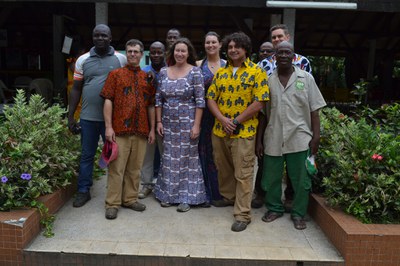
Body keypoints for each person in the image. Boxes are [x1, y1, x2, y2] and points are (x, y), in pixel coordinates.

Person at [257, 41, 326, 230]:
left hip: (301, 138)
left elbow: (314, 111)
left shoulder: (307, 78)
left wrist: (316, 137)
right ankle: (274, 208)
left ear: (293, 56)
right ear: (275, 56)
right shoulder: (268, 81)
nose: (284, 55)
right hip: (273, 137)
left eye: (288, 52)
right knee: (271, 178)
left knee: (301, 180)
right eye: (280, 52)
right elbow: (262, 115)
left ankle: (298, 213)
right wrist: (259, 141)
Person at [206, 32, 270, 232]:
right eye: (230, 47)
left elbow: (260, 101)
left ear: (246, 49)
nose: (233, 50)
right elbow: (210, 98)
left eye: (237, 47)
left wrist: (235, 121)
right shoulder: (221, 73)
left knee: (244, 172)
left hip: (244, 132)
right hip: (220, 130)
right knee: (223, 168)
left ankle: (242, 214)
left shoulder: (256, 72)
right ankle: (229, 197)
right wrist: (223, 119)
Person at [253, 23, 313, 209]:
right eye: (274, 38)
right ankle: (266, 199)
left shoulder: (303, 65)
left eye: (280, 36)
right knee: (269, 167)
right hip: (273, 125)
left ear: (288, 38)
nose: (277, 40)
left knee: (297, 171)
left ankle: (292, 201)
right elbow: (261, 103)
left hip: (297, 126)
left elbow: (309, 101)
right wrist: (259, 137)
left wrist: (314, 133)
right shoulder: (263, 67)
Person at [68, 24, 127, 208]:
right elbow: (76, 88)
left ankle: (116, 193)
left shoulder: (121, 59)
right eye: (97, 35)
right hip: (88, 118)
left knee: (114, 157)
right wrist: (70, 116)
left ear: (110, 38)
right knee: (87, 155)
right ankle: (84, 191)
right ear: (92, 38)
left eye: (104, 35)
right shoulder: (83, 60)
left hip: (112, 121)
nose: (100, 38)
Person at [100, 39, 155, 220]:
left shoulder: (147, 78)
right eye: (130, 51)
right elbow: (108, 99)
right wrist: (108, 127)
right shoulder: (115, 75)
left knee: (135, 168)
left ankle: (130, 199)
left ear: (141, 54)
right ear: (126, 53)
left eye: (136, 51)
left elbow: (151, 105)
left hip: (141, 130)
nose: (133, 54)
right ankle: (112, 203)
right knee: (117, 168)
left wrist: (152, 128)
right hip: (119, 130)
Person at [153, 37, 207, 212]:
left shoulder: (195, 72)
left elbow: (200, 101)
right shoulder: (163, 72)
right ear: (172, 52)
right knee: (169, 158)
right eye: (177, 50)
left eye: (183, 51)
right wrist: (159, 122)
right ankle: (168, 195)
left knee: (188, 159)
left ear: (188, 53)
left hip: (188, 123)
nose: (180, 53)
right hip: (168, 123)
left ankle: (187, 198)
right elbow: (158, 100)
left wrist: (196, 125)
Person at [196, 31, 226, 204]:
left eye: (214, 42)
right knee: (206, 154)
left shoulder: (228, 64)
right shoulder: (198, 65)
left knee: (221, 155)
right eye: (208, 42)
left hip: (224, 116)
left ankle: (222, 192)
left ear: (220, 44)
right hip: (205, 116)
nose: (211, 45)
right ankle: (207, 192)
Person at [139, 41, 166, 199]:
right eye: (153, 52)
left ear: (164, 53)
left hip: (166, 120)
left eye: (159, 52)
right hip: (147, 120)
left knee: (165, 154)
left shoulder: (170, 71)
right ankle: (147, 185)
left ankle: (164, 185)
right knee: (147, 155)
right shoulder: (144, 72)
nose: (156, 55)